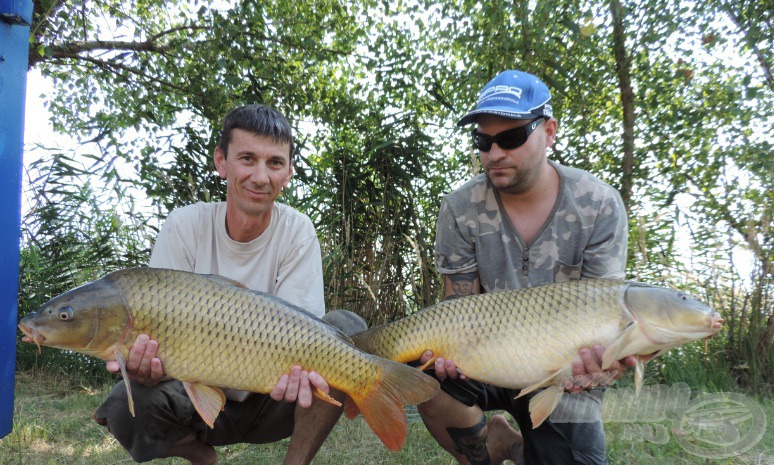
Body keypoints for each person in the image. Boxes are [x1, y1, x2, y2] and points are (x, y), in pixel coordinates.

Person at [93, 104, 367, 465]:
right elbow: (153, 339)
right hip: (196, 400)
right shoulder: (184, 227)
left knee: (346, 330)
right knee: (121, 404)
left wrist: (301, 372)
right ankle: (201, 456)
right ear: (221, 162)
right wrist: (146, 366)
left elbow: (307, 336)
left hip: (275, 399)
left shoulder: (297, 231)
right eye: (247, 159)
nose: (260, 176)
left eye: (274, 163)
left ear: (288, 173)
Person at [417, 70, 633, 465]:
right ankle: (486, 448)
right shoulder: (460, 208)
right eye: (484, 140)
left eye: (511, 138)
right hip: (484, 359)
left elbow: (608, 312)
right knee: (428, 381)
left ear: (549, 131)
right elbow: (457, 306)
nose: (494, 153)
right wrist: (446, 354)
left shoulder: (599, 203)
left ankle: (520, 447)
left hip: (563, 373)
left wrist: (607, 362)